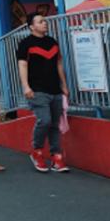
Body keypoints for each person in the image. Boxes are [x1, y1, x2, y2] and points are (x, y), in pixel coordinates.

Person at [17, 13, 71, 173]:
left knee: (55, 124)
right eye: (40, 22)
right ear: (32, 26)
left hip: (55, 89)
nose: (45, 23)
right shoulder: (25, 44)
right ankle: (37, 151)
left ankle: (57, 157)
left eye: (45, 21)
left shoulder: (52, 42)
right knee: (45, 120)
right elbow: (22, 66)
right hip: (37, 90)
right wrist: (26, 86)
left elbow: (59, 64)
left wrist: (64, 85)